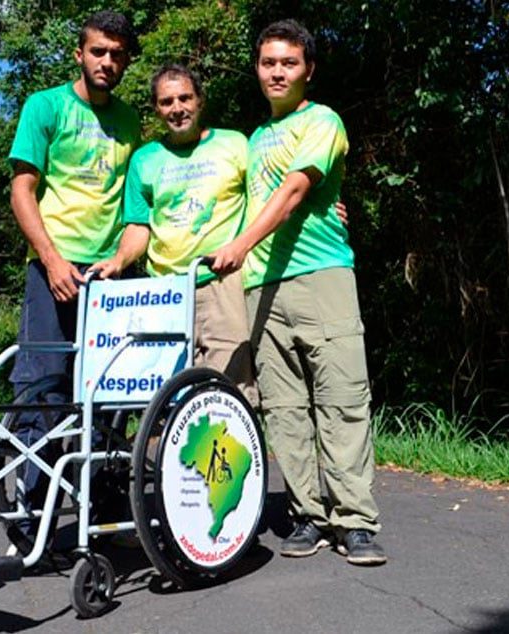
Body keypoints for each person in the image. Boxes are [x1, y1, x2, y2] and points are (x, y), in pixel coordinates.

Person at [210, 19, 386, 565]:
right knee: (285, 409)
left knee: (341, 399)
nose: (277, 72)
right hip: (261, 285)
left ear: (308, 69)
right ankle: (309, 516)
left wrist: (241, 243)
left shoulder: (322, 121)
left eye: (288, 62)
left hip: (321, 275)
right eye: (268, 63)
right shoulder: (254, 139)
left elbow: (293, 191)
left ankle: (354, 521)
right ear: (257, 70)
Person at [6, 10, 141, 545]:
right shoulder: (46, 106)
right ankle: (33, 511)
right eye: (98, 51)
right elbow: (23, 190)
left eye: (116, 54)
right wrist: (53, 260)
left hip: (110, 278)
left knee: (109, 393)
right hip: (54, 270)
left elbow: (145, 198)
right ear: (79, 54)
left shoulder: (131, 121)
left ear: (127, 60)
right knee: (43, 388)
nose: (107, 62)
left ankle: (103, 510)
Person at [90, 64, 257, 407]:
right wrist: (119, 260)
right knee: (171, 392)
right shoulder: (144, 160)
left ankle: (231, 455)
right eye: (167, 102)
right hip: (165, 291)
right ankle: (177, 459)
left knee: (230, 384)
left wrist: (323, 205)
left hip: (221, 280)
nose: (177, 108)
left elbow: (268, 196)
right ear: (156, 109)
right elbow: (139, 227)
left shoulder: (235, 144)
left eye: (185, 98)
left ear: (200, 101)